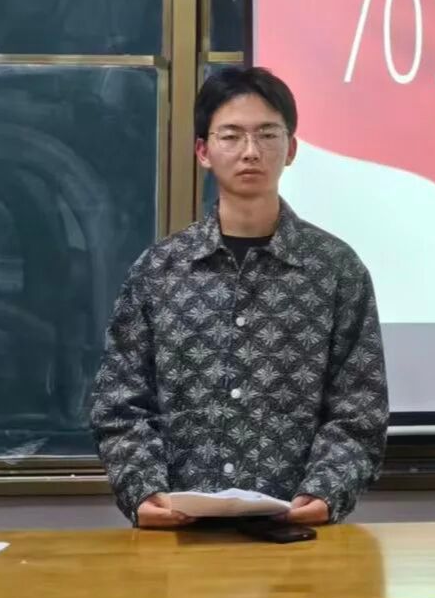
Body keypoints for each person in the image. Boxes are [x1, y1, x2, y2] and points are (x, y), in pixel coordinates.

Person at [91, 66, 388, 528]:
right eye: (231, 136)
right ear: (203, 151)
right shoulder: (160, 270)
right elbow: (120, 400)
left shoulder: (335, 270)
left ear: (291, 149)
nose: (251, 151)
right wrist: (144, 490)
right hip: (178, 530)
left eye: (267, 135)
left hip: (296, 532)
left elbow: (359, 408)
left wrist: (324, 492)